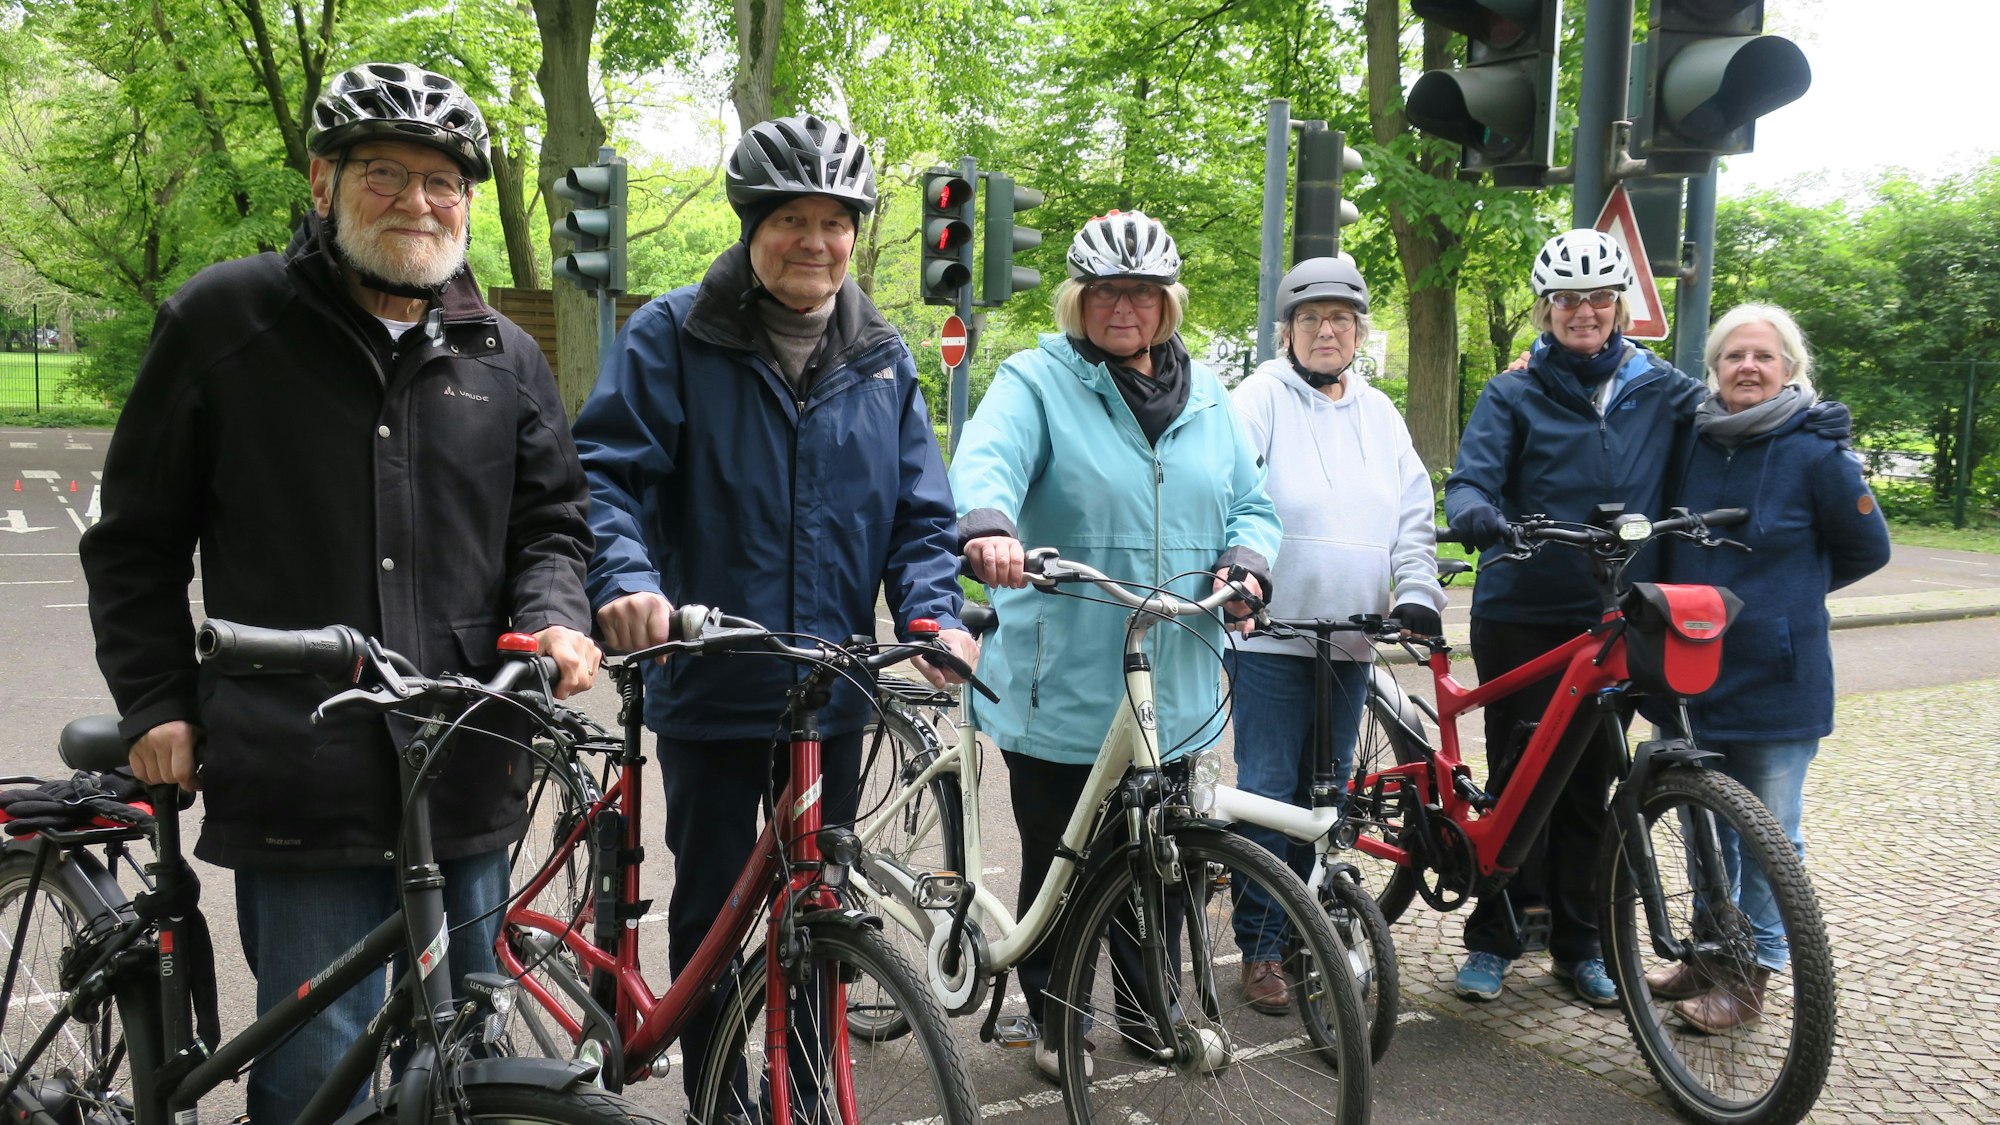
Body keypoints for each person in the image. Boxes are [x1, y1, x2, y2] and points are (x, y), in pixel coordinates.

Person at [79, 62, 600, 1122]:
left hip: (465, 768)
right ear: (322, 180)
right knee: (324, 1074)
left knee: (463, 1058)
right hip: (298, 775)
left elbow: (550, 524)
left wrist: (554, 615)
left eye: (444, 181)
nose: (418, 201)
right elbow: (133, 544)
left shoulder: (501, 354)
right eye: (385, 173)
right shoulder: (225, 325)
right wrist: (158, 702)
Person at [570, 112, 976, 1105]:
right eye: (792, 218)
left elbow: (921, 514)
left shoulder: (880, 354)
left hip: (832, 694)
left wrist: (931, 613)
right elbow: (603, 478)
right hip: (713, 677)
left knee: (817, 909)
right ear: (751, 226)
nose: (816, 241)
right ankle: (717, 1096)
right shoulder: (673, 334)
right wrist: (626, 583)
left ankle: (800, 1093)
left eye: (836, 221)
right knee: (712, 911)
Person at [952, 210, 1281, 1081]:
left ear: (1166, 301)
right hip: (1066, 675)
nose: (1122, 307)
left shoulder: (1208, 394)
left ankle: (1150, 1010)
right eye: (1104, 292)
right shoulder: (1035, 380)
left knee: (1166, 859)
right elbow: (986, 460)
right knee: (1064, 860)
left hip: (1178, 678)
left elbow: (1252, 504)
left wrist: (1248, 561)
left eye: (1140, 292)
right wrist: (988, 525)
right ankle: (1057, 1018)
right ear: (1077, 299)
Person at [1441, 228, 1708, 1008]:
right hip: (1523, 608)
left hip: (1615, 613)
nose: (1582, 311)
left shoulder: (1664, 390)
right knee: (1519, 781)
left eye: (1597, 297)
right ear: (1546, 307)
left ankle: (1581, 943)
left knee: (1594, 781)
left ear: (1621, 304)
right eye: (1567, 299)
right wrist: (1480, 515)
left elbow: (1731, 425)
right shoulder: (1513, 391)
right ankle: (1495, 937)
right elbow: (1471, 481)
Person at [1643, 303, 1888, 1031]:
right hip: (1688, 670)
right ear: (1713, 368)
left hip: (1777, 677)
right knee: (1699, 822)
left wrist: (1788, 600)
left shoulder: (1816, 448)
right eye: (1733, 355)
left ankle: (1754, 975)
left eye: (1764, 355)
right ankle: (1710, 953)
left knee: (1769, 835)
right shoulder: (1688, 435)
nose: (1747, 367)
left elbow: (1866, 547)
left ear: (1790, 368)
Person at [1225, 255, 1445, 1013]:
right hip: (1272, 638)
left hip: (1351, 641)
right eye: (1312, 319)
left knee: (1329, 795)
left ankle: (1307, 930)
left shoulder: (1381, 416)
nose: (1327, 331)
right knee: (1268, 794)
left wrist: (1416, 592)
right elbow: (1226, 494)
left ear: (1357, 332)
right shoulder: (1257, 399)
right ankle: (1257, 946)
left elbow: (1413, 515)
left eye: (1341, 320)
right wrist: (1233, 581)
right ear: (1287, 331)